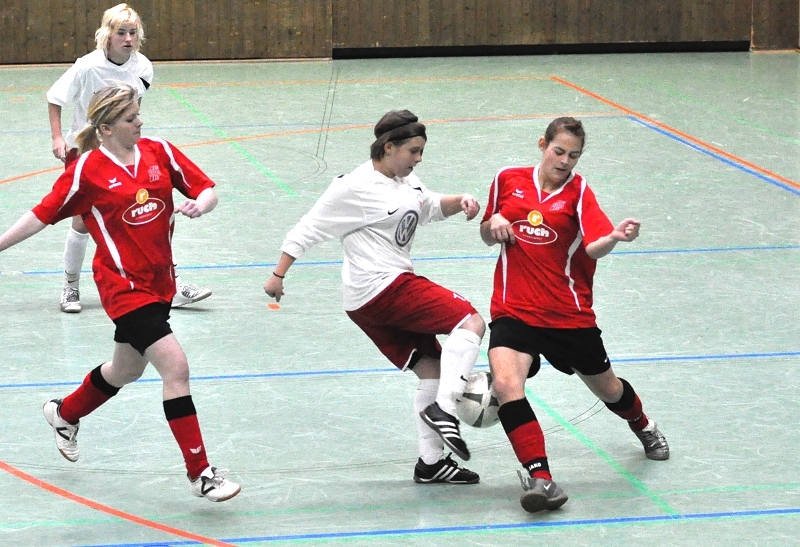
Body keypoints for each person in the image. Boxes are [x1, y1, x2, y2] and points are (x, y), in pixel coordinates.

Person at [0, 84, 239, 502]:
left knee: (126, 370)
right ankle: (201, 474)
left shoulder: (159, 152)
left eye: (139, 113)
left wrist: (202, 204)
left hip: (160, 283)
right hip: (122, 287)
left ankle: (64, 413)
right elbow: (40, 215)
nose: (140, 122)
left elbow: (206, 189)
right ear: (106, 128)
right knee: (176, 368)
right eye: (131, 118)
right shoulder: (87, 171)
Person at [264, 110, 486, 484]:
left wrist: (460, 200)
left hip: (366, 302)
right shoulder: (353, 187)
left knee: (432, 368)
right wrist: (278, 274)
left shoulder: (406, 179)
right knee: (471, 321)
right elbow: (308, 228)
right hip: (382, 287)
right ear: (388, 147)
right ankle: (446, 409)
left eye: (421, 151)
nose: (419, 158)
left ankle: (431, 464)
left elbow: (429, 206)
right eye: (413, 151)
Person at [479, 116, 669, 513]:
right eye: (559, 151)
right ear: (543, 145)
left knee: (609, 390)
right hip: (514, 309)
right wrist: (493, 221)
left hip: (568, 315)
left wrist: (614, 237)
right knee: (507, 384)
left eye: (574, 155)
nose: (565, 161)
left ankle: (643, 425)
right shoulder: (507, 179)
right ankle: (541, 478)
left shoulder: (579, 192)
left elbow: (593, 246)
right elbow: (487, 231)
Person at [47, 3, 210, 313]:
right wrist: (57, 138)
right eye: (121, 32)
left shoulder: (143, 67)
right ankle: (70, 286)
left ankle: (171, 286)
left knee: (148, 217)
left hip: (122, 150)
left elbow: (133, 110)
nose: (128, 39)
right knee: (82, 221)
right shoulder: (87, 67)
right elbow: (54, 99)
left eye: (133, 33)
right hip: (86, 150)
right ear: (107, 34)